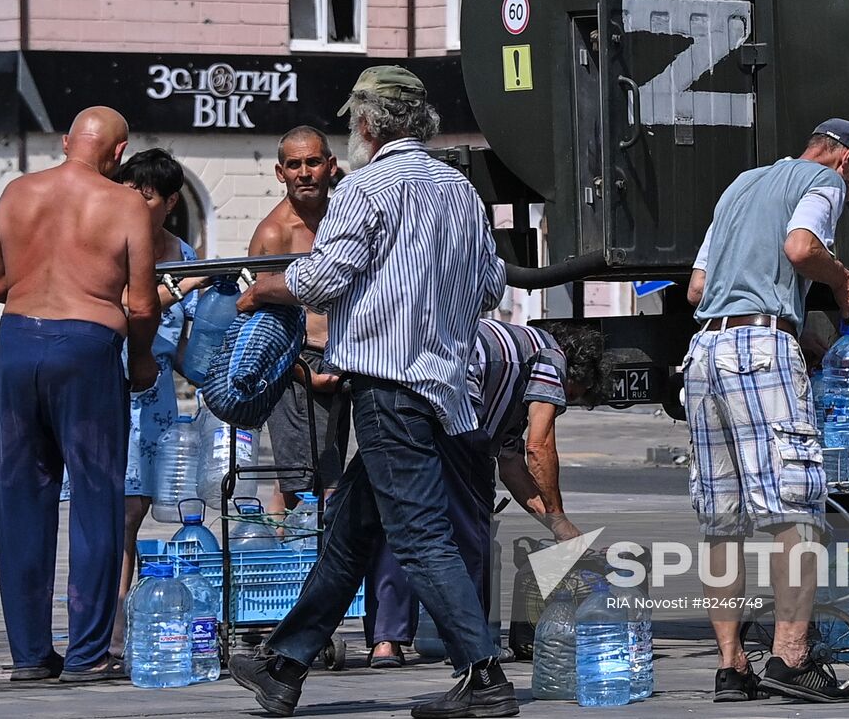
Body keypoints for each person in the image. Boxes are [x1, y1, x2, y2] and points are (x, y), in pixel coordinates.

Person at [227, 66, 515, 719]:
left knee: (418, 538)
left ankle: (484, 675)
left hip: (390, 389)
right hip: (445, 388)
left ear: (365, 124)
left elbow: (324, 278)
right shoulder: (460, 192)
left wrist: (266, 287)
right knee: (352, 532)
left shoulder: (363, 190)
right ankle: (285, 665)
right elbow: (493, 285)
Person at [681, 118, 849, 704]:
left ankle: (731, 666)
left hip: (704, 353)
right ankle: (791, 657)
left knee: (723, 520)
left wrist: (788, 317)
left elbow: (697, 288)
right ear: (845, 160)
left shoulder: (740, 186)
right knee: (798, 507)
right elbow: (800, 247)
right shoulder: (824, 181)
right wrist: (843, 281)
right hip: (760, 353)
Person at [0, 107, 159, 683]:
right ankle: (87, 655)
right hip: (87, 348)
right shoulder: (125, 202)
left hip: (16, 345)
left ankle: (30, 655)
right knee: (94, 497)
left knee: (20, 500)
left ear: (65, 142)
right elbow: (140, 303)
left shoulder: (16, 193)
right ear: (118, 153)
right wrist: (140, 361)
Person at [365, 318, 603, 668]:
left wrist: (556, 524)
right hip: (453, 401)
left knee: (401, 519)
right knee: (472, 525)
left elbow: (512, 465)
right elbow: (539, 447)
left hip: (398, 387)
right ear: (574, 372)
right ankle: (470, 645)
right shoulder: (551, 356)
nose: (560, 404)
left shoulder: (511, 388)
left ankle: (387, 642)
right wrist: (559, 516)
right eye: (571, 395)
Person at [106, 149, 207, 656]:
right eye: (127, 189)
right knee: (118, 508)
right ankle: (113, 616)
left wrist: (220, 384)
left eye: (144, 194)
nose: (132, 201)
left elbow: (187, 342)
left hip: (159, 396)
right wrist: (182, 286)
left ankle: (127, 609)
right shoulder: (113, 246)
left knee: (140, 506)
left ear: (168, 202)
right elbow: (129, 307)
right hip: (113, 386)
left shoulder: (183, 254)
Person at [247, 126, 349, 525]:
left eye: (312, 162)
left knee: (332, 476)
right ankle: (289, 569)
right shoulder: (274, 234)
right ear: (280, 172)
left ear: (330, 166)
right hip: (299, 365)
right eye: (294, 165)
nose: (304, 172)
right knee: (299, 486)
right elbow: (258, 323)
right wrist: (302, 373)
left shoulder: (343, 220)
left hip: (345, 359)